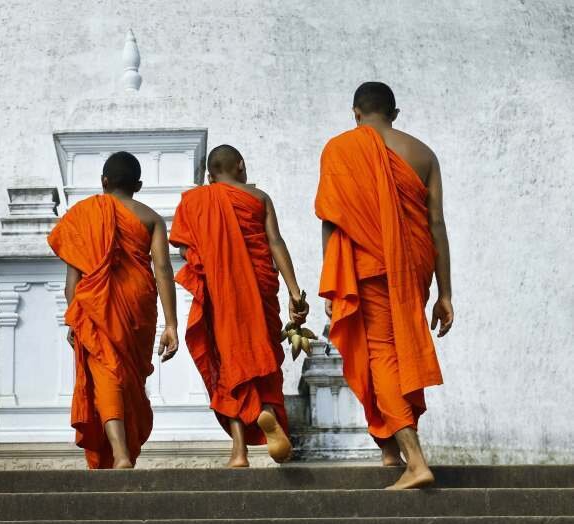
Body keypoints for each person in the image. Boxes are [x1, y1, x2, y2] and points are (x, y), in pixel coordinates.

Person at [316, 81, 454, 489]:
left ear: (355, 113)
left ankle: (414, 460)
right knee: (399, 353)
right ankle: (389, 450)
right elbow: (436, 224)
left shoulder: (340, 148)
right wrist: (446, 293)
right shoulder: (423, 154)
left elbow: (332, 218)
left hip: (368, 267)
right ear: (395, 113)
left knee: (381, 358)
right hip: (413, 266)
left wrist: (332, 279)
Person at [170, 145, 308, 467]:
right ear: (241, 165)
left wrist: (211, 260)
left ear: (209, 176)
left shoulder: (194, 202)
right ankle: (267, 410)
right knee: (262, 358)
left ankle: (239, 451)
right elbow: (275, 242)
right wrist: (294, 292)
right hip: (259, 291)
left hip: (220, 295)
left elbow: (185, 253)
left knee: (227, 363)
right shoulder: (259, 198)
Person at [47, 151, 179, 469]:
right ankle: (123, 453)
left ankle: (120, 454)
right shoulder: (151, 218)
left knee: (108, 372)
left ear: (103, 182)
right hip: (139, 305)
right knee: (129, 379)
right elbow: (163, 269)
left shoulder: (83, 215)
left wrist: (77, 317)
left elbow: (73, 281)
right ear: (139, 185)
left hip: (96, 307)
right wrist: (171, 324)